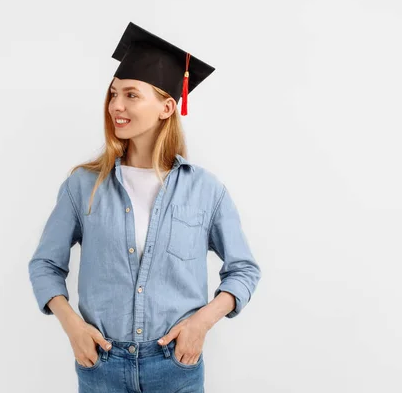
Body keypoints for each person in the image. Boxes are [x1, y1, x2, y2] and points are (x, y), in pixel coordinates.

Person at [28, 21, 262, 393]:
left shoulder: (205, 190)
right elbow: (45, 264)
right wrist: (72, 326)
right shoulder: (82, 186)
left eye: (131, 95)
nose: (116, 106)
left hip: (176, 365)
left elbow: (244, 269)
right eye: (113, 94)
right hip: (100, 365)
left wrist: (201, 324)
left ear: (167, 107)